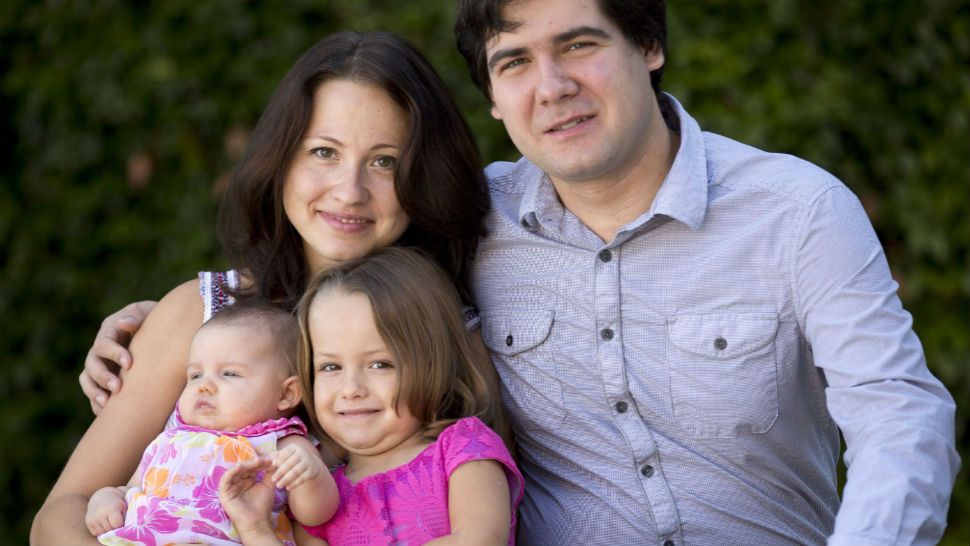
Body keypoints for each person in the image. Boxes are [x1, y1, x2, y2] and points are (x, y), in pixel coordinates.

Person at [76, 0, 962, 544]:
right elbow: (331, 265)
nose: (552, 86)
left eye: (579, 44)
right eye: (513, 63)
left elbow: (900, 416)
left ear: (647, 43)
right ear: (493, 99)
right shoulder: (464, 223)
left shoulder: (796, 210)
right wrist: (171, 331)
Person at [31, 30, 500, 546]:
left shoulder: (446, 333)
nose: (349, 191)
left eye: (385, 161)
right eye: (324, 152)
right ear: (281, 161)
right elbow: (60, 515)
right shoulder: (199, 313)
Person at [223, 247, 523, 545]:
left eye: (380, 364)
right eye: (330, 367)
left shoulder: (464, 448)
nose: (352, 389)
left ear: (435, 365)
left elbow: (479, 539)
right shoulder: (319, 498)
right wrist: (255, 530)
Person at [85, 301, 337, 545]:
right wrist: (105, 498)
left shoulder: (279, 443)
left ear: (287, 394)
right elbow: (130, 489)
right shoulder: (172, 437)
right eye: (195, 375)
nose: (204, 385)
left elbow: (315, 515)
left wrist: (310, 475)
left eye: (229, 373)